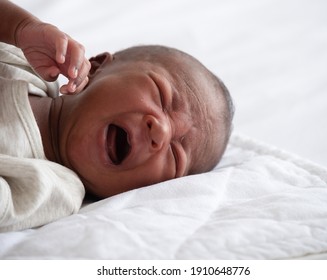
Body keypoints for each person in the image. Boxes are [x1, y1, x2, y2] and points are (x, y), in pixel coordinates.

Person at [0, 1, 234, 232]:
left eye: (175, 156)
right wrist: (21, 27)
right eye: (162, 96)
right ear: (95, 67)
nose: (161, 132)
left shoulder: (53, 190)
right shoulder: (24, 62)